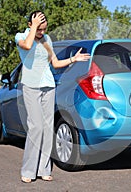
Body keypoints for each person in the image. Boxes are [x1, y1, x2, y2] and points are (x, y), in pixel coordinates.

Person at [15, 10, 90, 183]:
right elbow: (26, 46)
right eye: (39, 29)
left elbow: (55, 63)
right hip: (31, 85)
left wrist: (73, 59)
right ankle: (28, 170)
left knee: (48, 128)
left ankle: (44, 169)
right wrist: (34, 28)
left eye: (44, 28)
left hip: (48, 86)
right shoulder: (21, 36)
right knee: (36, 127)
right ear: (30, 25)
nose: (42, 32)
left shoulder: (47, 40)